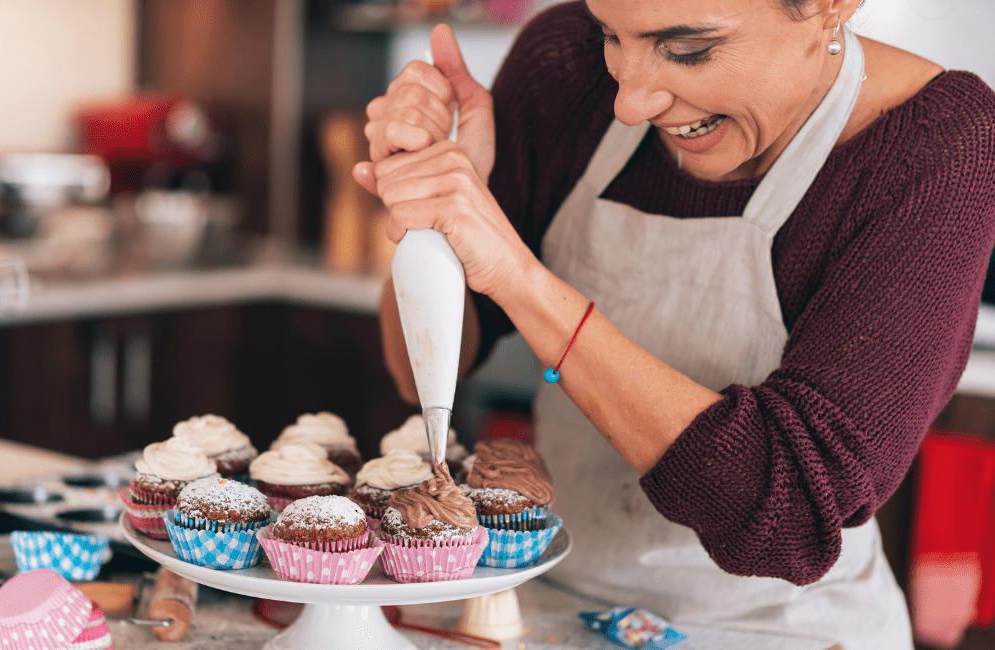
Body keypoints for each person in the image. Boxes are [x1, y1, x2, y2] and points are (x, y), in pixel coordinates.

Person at [353, 0, 995, 647]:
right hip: (544, 613)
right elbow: (416, 377)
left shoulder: (935, 146)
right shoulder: (566, 67)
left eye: (689, 50)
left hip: (782, 631)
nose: (630, 101)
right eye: (612, 35)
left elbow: (792, 514)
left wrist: (521, 278)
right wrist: (432, 231)